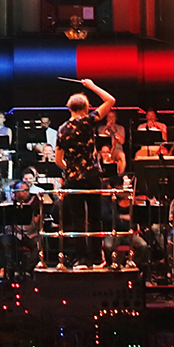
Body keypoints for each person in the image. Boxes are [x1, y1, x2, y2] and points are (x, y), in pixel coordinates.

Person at [54, 77, 117, 268]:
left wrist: (71, 169)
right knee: (95, 218)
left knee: (78, 220)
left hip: (73, 178)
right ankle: (97, 258)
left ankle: (81, 259)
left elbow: (58, 160)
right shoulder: (88, 121)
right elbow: (111, 101)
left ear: (69, 107)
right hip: (91, 176)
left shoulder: (62, 130)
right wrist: (92, 86)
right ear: (86, 108)